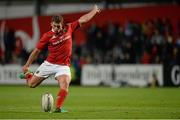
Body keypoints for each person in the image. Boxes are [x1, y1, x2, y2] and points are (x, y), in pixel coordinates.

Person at [20, 5, 100, 113]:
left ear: (62, 25)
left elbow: (84, 19)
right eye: (54, 26)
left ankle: (58, 108)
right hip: (49, 64)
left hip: (63, 66)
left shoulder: (69, 27)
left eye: (58, 26)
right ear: (51, 24)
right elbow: (36, 51)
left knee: (65, 83)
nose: (56, 29)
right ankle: (28, 75)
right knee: (31, 84)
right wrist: (27, 65)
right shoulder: (47, 36)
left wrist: (94, 10)